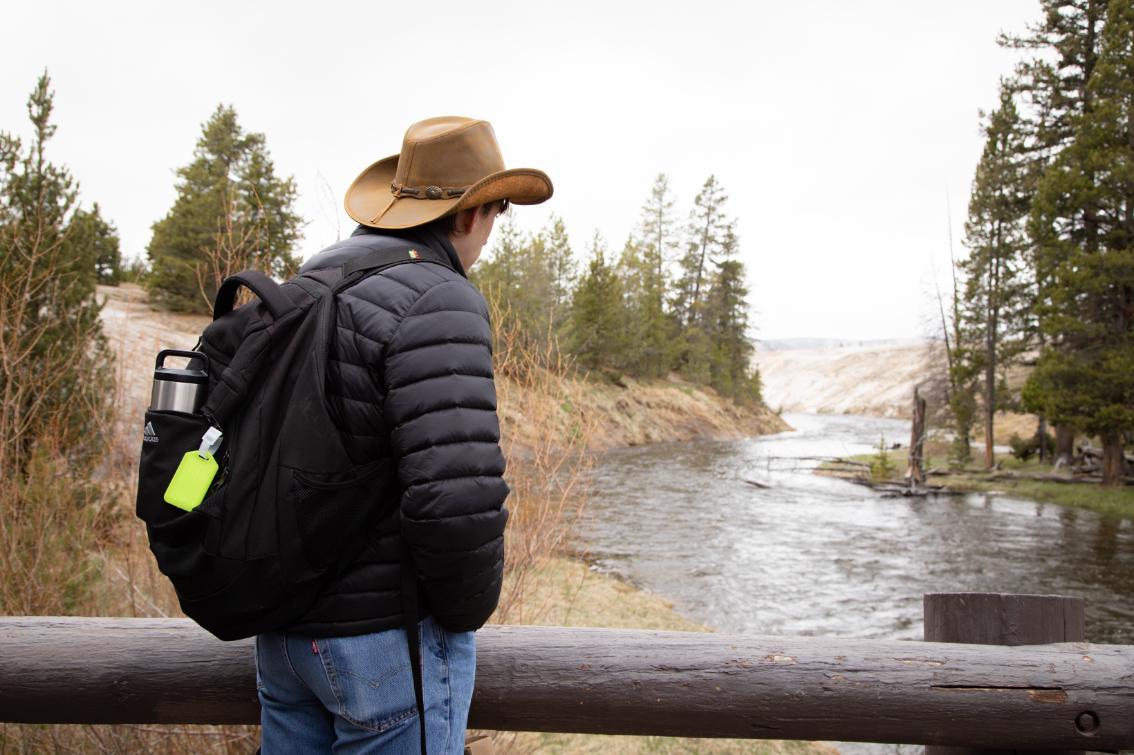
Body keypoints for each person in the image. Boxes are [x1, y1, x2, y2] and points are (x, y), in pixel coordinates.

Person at [254, 116, 553, 754]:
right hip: (386, 644)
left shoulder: (314, 281)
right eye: (499, 211)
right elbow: (458, 502)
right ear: (471, 214)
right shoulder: (439, 297)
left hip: (282, 635)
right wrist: (458, 621)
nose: (494, 230)